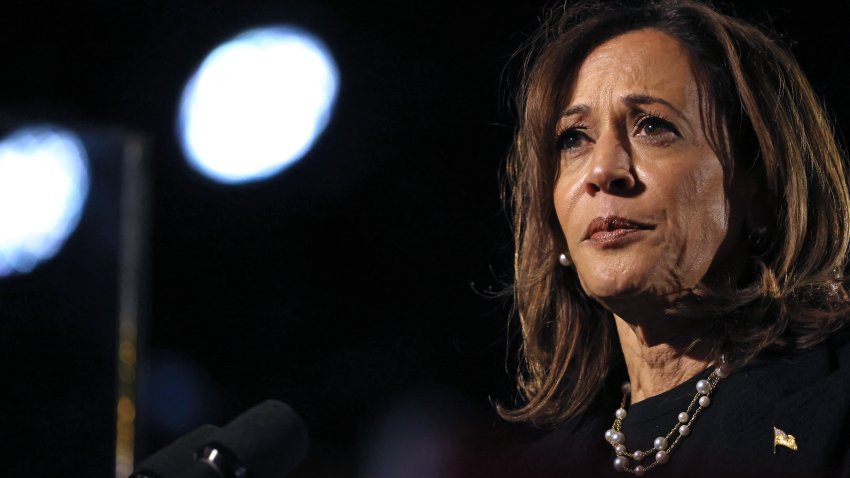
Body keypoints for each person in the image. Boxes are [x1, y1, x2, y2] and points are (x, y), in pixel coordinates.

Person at [495, 0, 850, 476]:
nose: (602, 171)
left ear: (761, 189)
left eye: (652, 126)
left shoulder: (834, 409)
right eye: (574, 138)